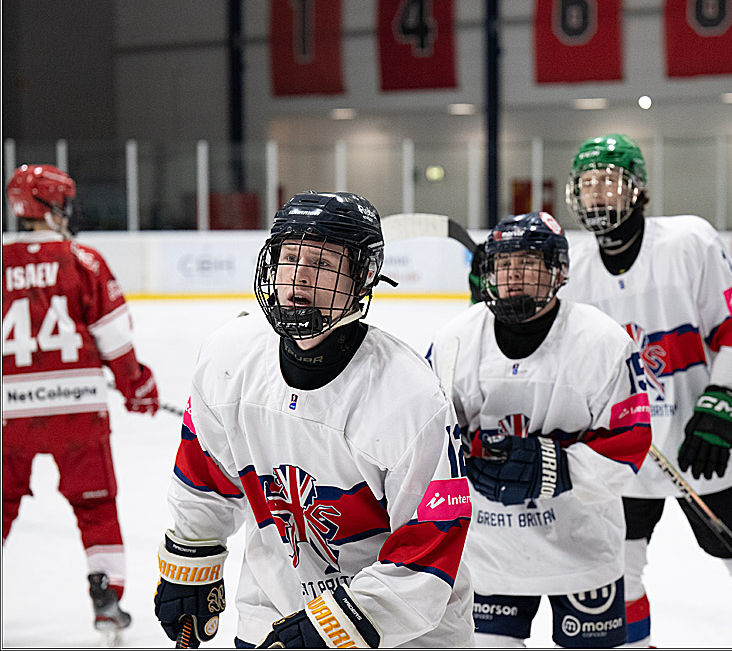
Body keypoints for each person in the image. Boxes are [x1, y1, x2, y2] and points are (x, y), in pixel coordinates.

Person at [153, 191, 474, 648]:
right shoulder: (229, 357)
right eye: (289, 259)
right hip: (274, 610)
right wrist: (192, 554)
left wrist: (341, 623)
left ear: (363, 277)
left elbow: (431, 544)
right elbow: (205, 473)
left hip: (402, 632)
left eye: (321, 264)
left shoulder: (409, 396)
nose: (299, 278)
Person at [558, 134, 732, 647]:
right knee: (616, 572)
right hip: (624, 454)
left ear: (637, 189)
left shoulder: (687, 244)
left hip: (707, 445)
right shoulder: (576, 272)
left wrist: (723, 408)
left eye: (608, 182)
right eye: (587, 185)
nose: (597, 194)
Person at [427, 211, 652, 648]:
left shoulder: (602, 341)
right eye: (503, 264)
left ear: (560, 271)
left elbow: (629, 445)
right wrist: (464, 454)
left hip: (582, 547)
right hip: (490, 553)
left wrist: (557, 467)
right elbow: (425, 438)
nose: (513, 275)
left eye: (528, 263)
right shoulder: (454, 339)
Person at [2, 164, 160, 641]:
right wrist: (137, 387)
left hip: (9, 416)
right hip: (77, 413)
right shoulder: (83, 260)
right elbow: (114, 338)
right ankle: (106, 597)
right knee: (96, 505)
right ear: (49, 205)